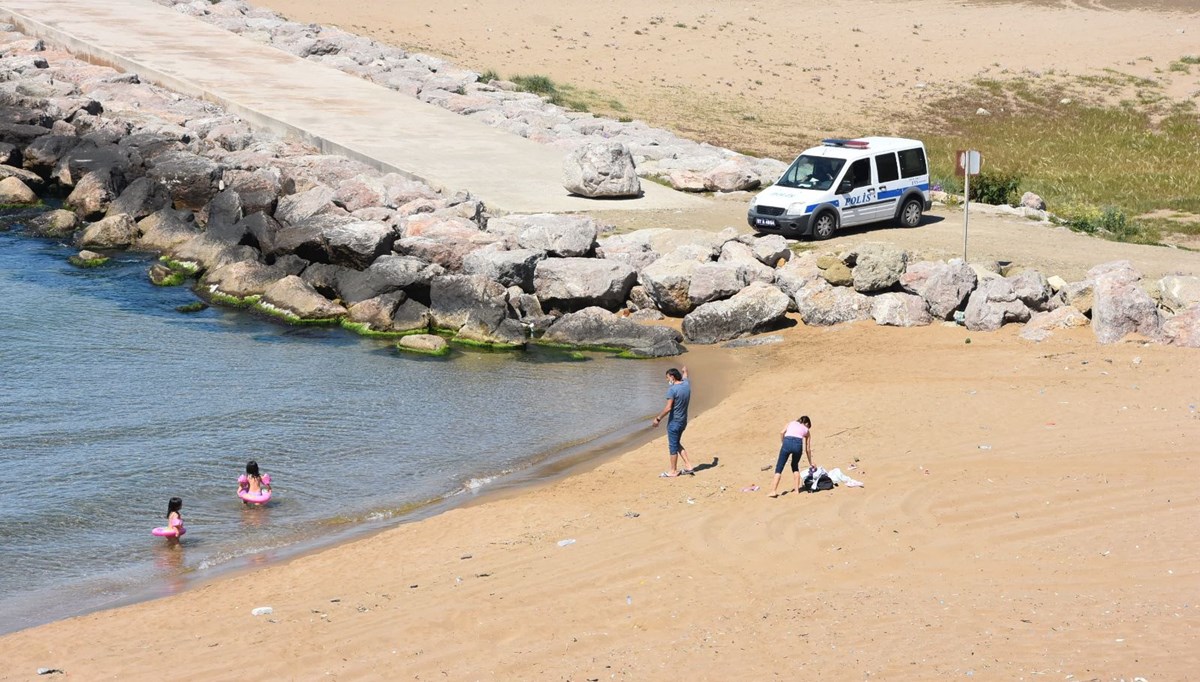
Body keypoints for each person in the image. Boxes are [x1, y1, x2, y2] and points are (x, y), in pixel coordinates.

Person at [652, 366, 694, 477]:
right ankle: (689, 466)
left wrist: (658, 419)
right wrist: (685, 370)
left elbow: (668, 408)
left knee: (673, 446)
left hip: (674, 422)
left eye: (667, 378)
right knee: (676, 443)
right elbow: (685, 376)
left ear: (672, 377)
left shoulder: (672, 390)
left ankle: (673, 471)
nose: (667, 380)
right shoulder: (686, 384)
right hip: (683, 421)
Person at [768, 416, 813, 498]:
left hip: (787, 442)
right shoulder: (807, 431)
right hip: (798, 445)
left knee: (779, 468)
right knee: (795, 466)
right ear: (806, 423)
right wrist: (810, 463)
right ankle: (796, 490)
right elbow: (808, 449)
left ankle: (773, 491)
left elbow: (782, 432)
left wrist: (783, 442)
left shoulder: (790, 423)